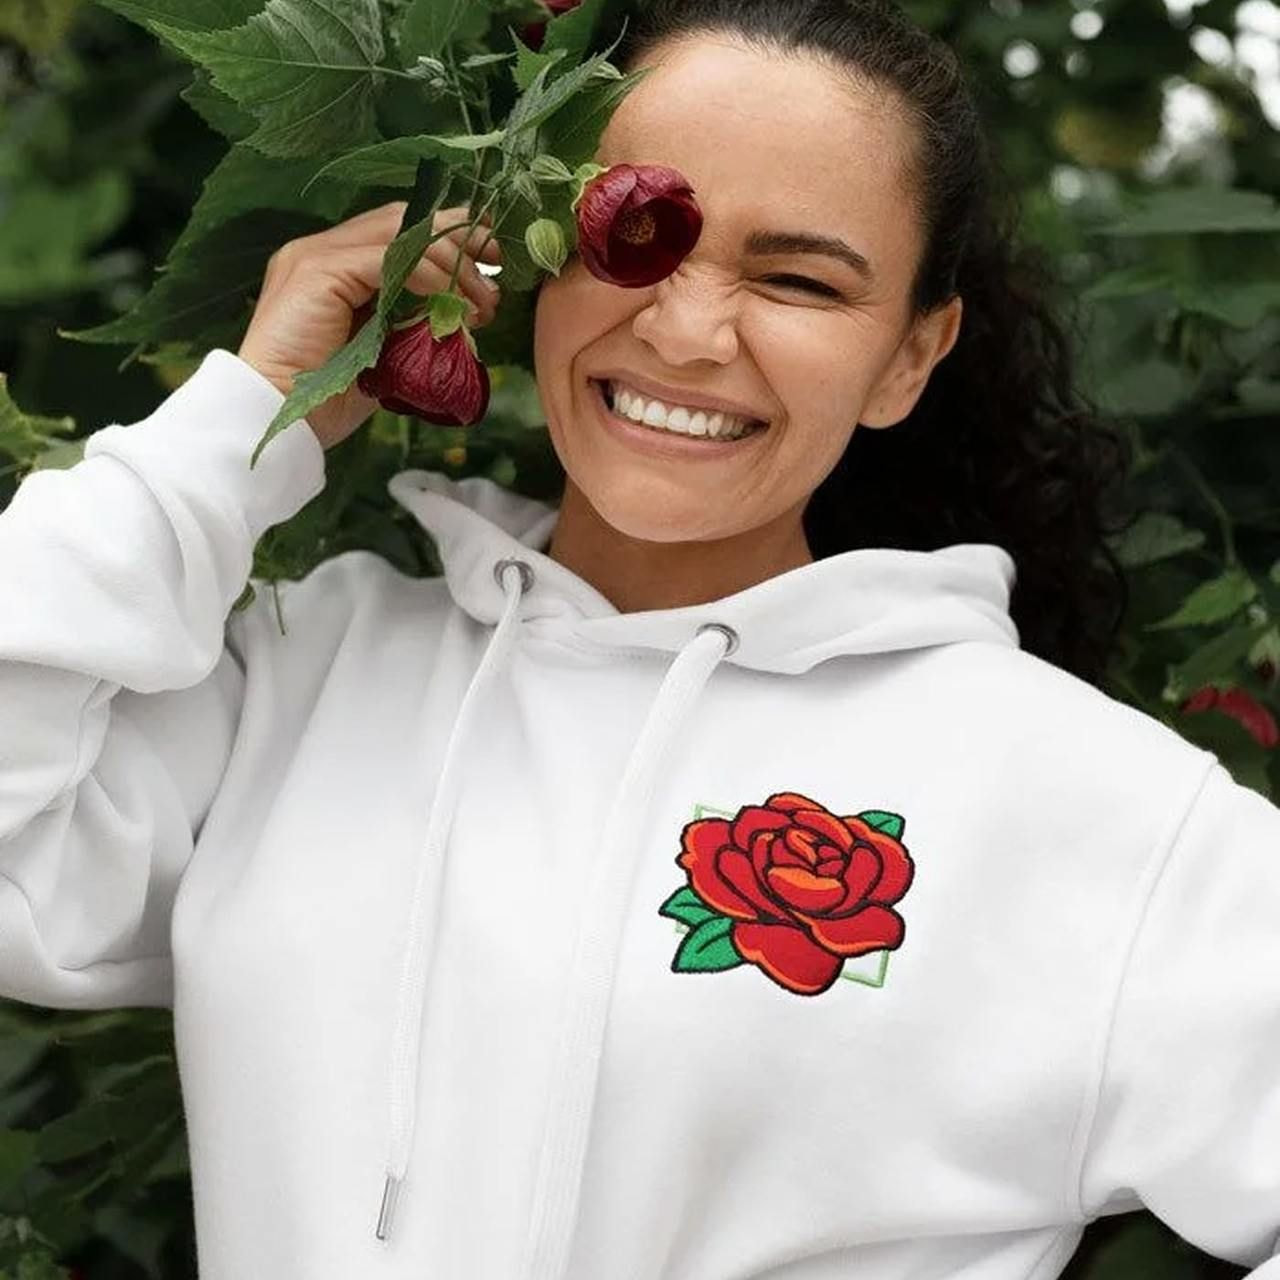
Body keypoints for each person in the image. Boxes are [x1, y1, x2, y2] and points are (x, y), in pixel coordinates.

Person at [1, 0, 1278, 1277]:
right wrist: (245, 421)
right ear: (526, 255)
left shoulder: (1086, 802)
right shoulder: (305, 674)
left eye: (795, 280)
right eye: (634, 238)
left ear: (908, 356)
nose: (683, 330)